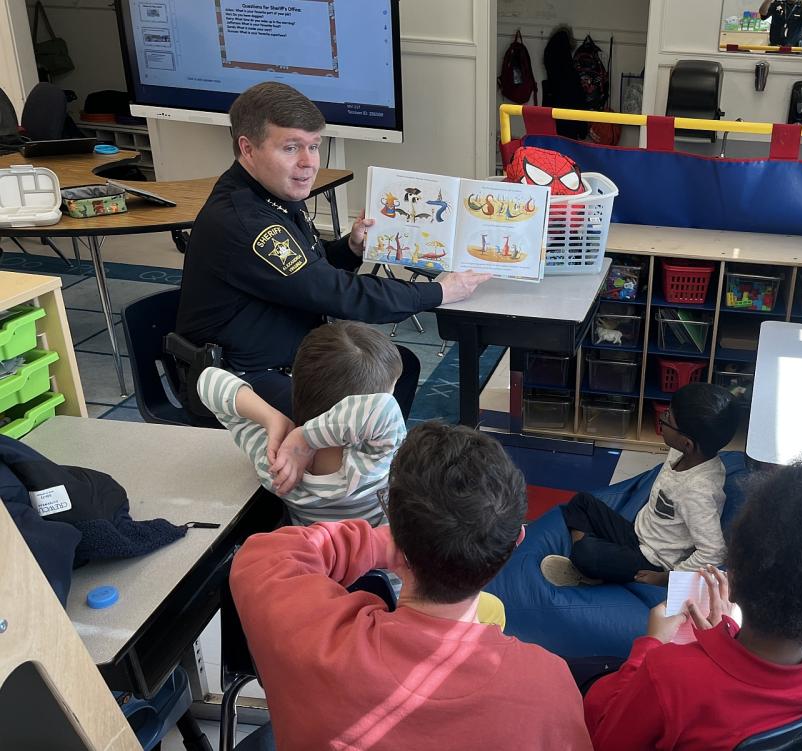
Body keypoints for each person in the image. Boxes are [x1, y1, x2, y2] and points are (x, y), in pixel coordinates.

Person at [229, 421, 593, 751]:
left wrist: (381, 542)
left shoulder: (312, 639)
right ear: (515, 544)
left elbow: (264, 553)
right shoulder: (547, 688)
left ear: (396, 535)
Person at [176, 81, 489, 420]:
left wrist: (350, 248)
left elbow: (303, 268)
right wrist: (440, 291)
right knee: (360, 412)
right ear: (248, 149)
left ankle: (367, 461)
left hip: (280, 357)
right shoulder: (246, 221)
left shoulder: (267, 195)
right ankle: (352, 464)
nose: (309, 163)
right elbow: (336, 294)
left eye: (314, 146)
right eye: (291, 148)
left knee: (399, 368)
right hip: (238, 379)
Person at [583, 449, 802, 751]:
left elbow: (605, 741)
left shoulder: (667, 677)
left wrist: (650, 647)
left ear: (734, 575)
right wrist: (722, 637)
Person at [197, 320, 405, 526]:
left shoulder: (274, 460)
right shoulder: (376, 457)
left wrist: (272, 419)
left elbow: (208, 380)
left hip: (314, 555)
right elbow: (383, 408)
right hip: (380, 553)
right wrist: (305, 437)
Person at [540, 383, 740, 587]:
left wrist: (667, 578)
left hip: (652, 560)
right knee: (582, 501)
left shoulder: (699, 491)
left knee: (586, 553)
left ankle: (585, 567)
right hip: (636, 533)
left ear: (687, 443)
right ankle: (590, 561)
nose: (662, 418)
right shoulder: (684, 452)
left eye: (668, 418)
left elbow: (714, 552)